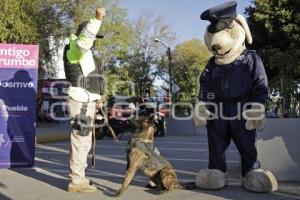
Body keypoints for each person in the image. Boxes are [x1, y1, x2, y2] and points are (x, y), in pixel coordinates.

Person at [63, 7, 106, 193]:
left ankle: (79, 176)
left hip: (86, 100)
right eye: (94, 37)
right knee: (81, 140)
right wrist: (96, 19)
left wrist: (98, 98)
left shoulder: (85, 55)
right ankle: (76, 181)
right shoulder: (76, 48)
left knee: (84, 140)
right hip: (80, 100)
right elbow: (85, 40)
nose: (95, 40)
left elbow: (93, 79)